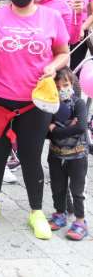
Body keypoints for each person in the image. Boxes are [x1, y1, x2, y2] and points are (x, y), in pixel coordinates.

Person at [0, 0, 70, 240]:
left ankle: (36, 211)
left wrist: (54, 66)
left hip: (34, 101)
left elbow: (63, 52)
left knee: (31, 156)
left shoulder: (51, 17)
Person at [46, 67, 88, 240]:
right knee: (57, 187)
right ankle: (60, 213)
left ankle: (80, 221)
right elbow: (45, 132)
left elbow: (81, 127)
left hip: (77, 156)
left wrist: (57, 130)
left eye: (66, 85)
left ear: (72, 84)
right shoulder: (50, 106)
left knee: (77, 190)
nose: (62, 90)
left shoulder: (79, 104)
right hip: (55, 155)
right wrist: (69, 127)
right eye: (57, 87)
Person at [52, 0, 93, 71]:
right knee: (57, 64)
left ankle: (74, 88)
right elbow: (46, 4)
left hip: (79, 31)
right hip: (58, 30)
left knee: (77, 67)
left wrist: (82, 28)